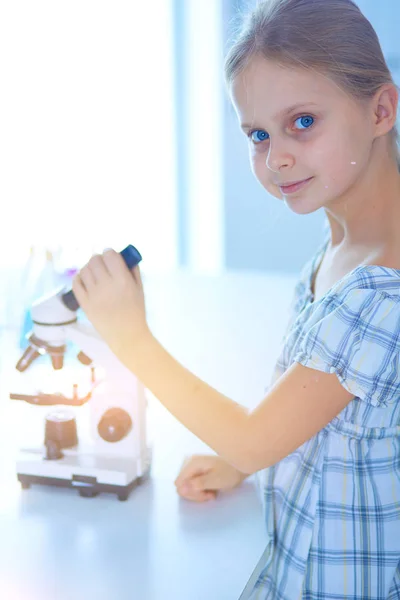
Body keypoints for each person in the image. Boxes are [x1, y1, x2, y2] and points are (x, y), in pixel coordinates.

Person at [71, 0, 400, 597]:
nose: (276, 158)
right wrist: (246, 461)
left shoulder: (380, 293)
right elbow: (320, 421)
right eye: (258, 133)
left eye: (303, 121)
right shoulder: (343, 244)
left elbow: (254, 433)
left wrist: (130, 337)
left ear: (381, 108)